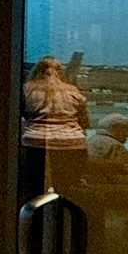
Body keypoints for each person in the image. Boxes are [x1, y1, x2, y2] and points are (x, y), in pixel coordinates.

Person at [21, 55, 89, 199]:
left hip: (35, 142)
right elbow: (85, 122)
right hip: (72, 144)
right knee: (67, 192)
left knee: (33, 190)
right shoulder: (73, 91)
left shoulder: (27, 90)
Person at [85, 114, 128, 186]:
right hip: (108, 184)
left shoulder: (92, 140)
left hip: (95, 181)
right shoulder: (114, 145)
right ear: (117, 129)